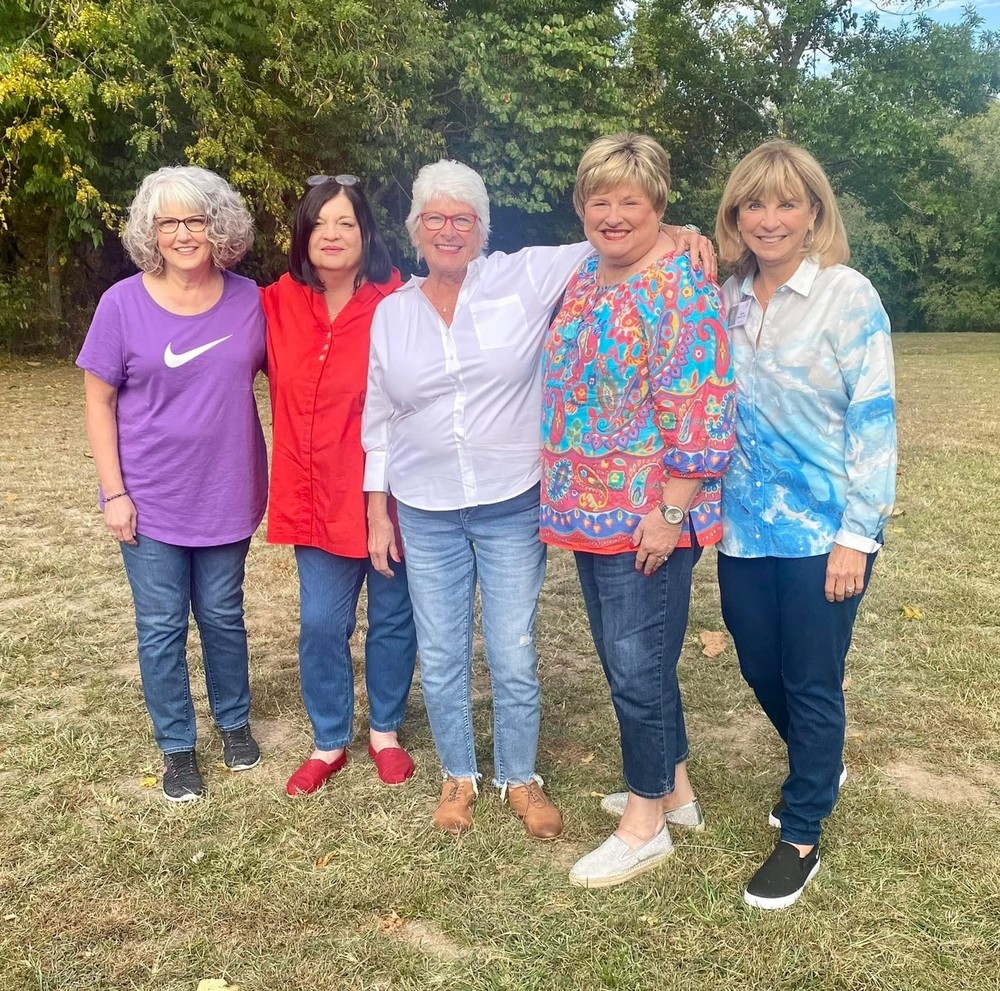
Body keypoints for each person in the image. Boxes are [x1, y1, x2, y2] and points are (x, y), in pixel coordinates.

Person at [362, 158, 717, 838]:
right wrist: (378, 510)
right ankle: (458, 776)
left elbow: (616, 234)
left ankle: (520, 776)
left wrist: (684, 230)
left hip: (510, 502)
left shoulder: (522, 276)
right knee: (441, 651)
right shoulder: (392, 314)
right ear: (415, 228)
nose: (448, 230)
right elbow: (378, 416)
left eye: (463, 218)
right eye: (434, 217)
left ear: (482, 228)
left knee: (514, 649)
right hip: (424, 506)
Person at [538, 133, 735, 887]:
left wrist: (672, 511)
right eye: (600, 200)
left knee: (636, 668)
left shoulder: (681, 285)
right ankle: (675, 790)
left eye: (632, 201)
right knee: (637, 659)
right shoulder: (587, 273)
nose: (614, 215)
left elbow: (705, 407)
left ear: (659, 205)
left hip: (648, 518)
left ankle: (645, 823)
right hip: (591, 512)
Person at [714, 139, 897, 910]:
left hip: (825, 534)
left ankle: (801, 833)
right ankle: (822, 761)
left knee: (810, 677)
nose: (770, 218)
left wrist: (858, 534)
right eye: (753, 203)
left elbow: (874, 419)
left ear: (814, 212)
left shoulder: (847, 295)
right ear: (735, 216)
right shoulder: (724, 296)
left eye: (787, 202)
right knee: (760, 664)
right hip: (743, 529)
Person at [77, 166, 267, 802]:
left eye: (196, 220)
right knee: (161, 626)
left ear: (219, 227)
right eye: (168, 222)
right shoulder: (121, 304)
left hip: (228, 491)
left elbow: (302, 372)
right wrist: (114, 493)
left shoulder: (251, 301)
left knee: (222, 615)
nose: (183, 234)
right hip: (150, 498)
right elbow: (98, 401)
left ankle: (234, 723)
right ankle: (178, 747)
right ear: (150, 232)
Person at [261, 175, 418, 796]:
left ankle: (385, 732)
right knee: (322, 624)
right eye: (319, 223)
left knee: (393, 618)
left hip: (393, 494)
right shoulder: (274, 303)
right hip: (315, 496)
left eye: (345, 223)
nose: (332, 234)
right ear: (303, 235)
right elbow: (200, 298)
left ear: (366, 233)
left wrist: (674, 234)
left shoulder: (400, 300)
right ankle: (330, 739)